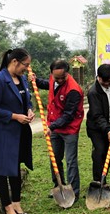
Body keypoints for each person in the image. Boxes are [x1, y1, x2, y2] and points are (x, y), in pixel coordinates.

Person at [0, 48, 34, 214]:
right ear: (14, 62)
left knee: (15, 166)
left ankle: (17, 203)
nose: (27, 69)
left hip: (20, 132)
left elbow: (27, 101)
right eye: (25, 65)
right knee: (2, 169)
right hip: (4, 133)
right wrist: (14, 116)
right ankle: (7, 206)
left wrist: (29, 110)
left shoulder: (21, 80)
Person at [35, 59, 84, 200]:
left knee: (71, 161)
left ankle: (74, 191)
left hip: (69, 129)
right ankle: (58, 186)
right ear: (52, 73)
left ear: (67, 73)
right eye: (57, 78)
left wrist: (52, 126)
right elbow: (48, 84)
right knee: (55, 158)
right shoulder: (53, 79)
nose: (60, 80)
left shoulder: (73, 90)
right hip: (54, 126)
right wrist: (35, 81)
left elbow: (68, 115)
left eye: (63, 77)